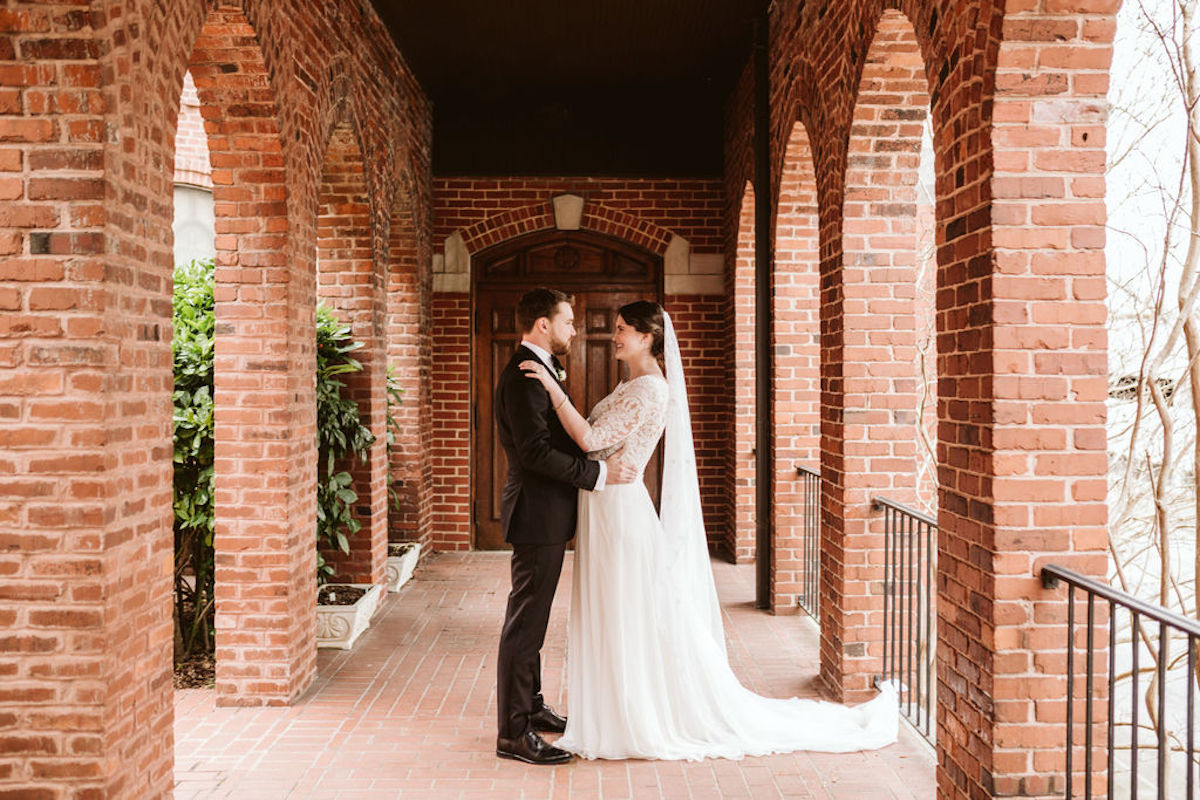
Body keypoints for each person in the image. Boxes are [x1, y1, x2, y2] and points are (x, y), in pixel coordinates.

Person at [519, 300, 899, 761]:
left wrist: (554, 392)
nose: (614, 336)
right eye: (617, 329)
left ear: (647, 337)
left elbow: (592, 440)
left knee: (625, 609)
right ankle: (611, 708)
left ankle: (634, 716)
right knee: (611, 608)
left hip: (619, 510)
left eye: (621, 330)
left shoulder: (651, 390)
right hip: (603, 506)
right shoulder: (630, 383)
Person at [493, 288, 638, 766]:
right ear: (542, 325)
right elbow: (534, 453)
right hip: (536, 514)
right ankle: (513, 733)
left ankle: (531, 708)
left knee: (534, 620)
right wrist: (596, 475)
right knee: (525, 625)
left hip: (548, 513)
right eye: (568, 321)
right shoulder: (522, 376)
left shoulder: (540, 370)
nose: (575, 329)